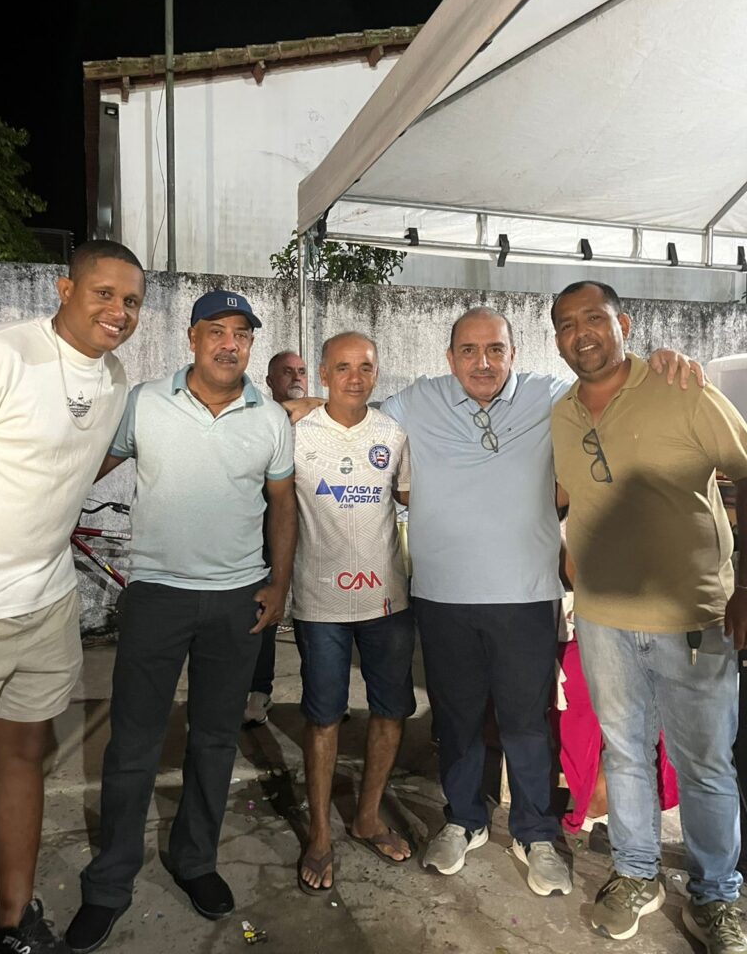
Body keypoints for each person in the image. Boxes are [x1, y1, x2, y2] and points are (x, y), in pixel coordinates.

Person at [286, 311, 697, 896]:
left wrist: (656, 363)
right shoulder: (417, 402)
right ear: (449, 357)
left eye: (495, 350)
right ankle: (463, 819)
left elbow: (610, 386)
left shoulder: (548, 395)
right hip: (442, 596)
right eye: (469, 350)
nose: (483, 362)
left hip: (525, 596)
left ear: (513, 352)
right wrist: (305, 405)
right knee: (456, 719)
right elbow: (353, 411)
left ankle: (536, 833)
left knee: (527, 721)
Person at [66, 289, 297, 953]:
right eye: (216, 331)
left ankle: (195, 859)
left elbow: (282, 505)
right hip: (157, 597)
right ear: (191, 338)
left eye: (241, 334)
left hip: (236, 601)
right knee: (133, 744)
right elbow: (82, 469)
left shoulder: (269, 419)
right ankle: (110, 881)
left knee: (215, 740)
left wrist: (278, 583)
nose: (229, 344)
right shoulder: (143, 403)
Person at [550, 280, 747, 951]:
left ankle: (716, 893)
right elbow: (573, 495)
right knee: (625, 751)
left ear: (623, 324)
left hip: (692, 616)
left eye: (593, 318)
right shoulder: (563, 413)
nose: (581, 333)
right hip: (602, 617)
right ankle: (637, 872)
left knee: (705, 765)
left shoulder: (680, 387)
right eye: (566, 324)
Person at [0, 241, 145, 954]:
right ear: (64, 289)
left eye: (131, 301)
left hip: (47, 601)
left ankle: (11, 918)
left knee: (23, 754)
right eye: (104, 293)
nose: (119, 311)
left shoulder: (114, 378)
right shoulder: (2, 356)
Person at [293, 332, 414, 894]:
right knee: (323, 718)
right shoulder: (295, 431)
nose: (355, 377)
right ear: (323, 374)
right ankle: (319, 835)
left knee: (390, 711)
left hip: (387, 601)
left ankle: (366, 817)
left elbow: (413, 499)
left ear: (376, 372)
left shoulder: (392, 434)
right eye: (342, 367)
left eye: (365, 366)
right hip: (320, 602)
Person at [243, 350, 308, 727]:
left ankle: (320, 690)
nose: (295, 377)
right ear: (269, 381)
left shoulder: (321, 418)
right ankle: (259, 691)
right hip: (271, 531)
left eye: (301, 371)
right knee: (266, 609)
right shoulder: (260, 418)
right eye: (286, 372)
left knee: (316, 616)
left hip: (317, 530)